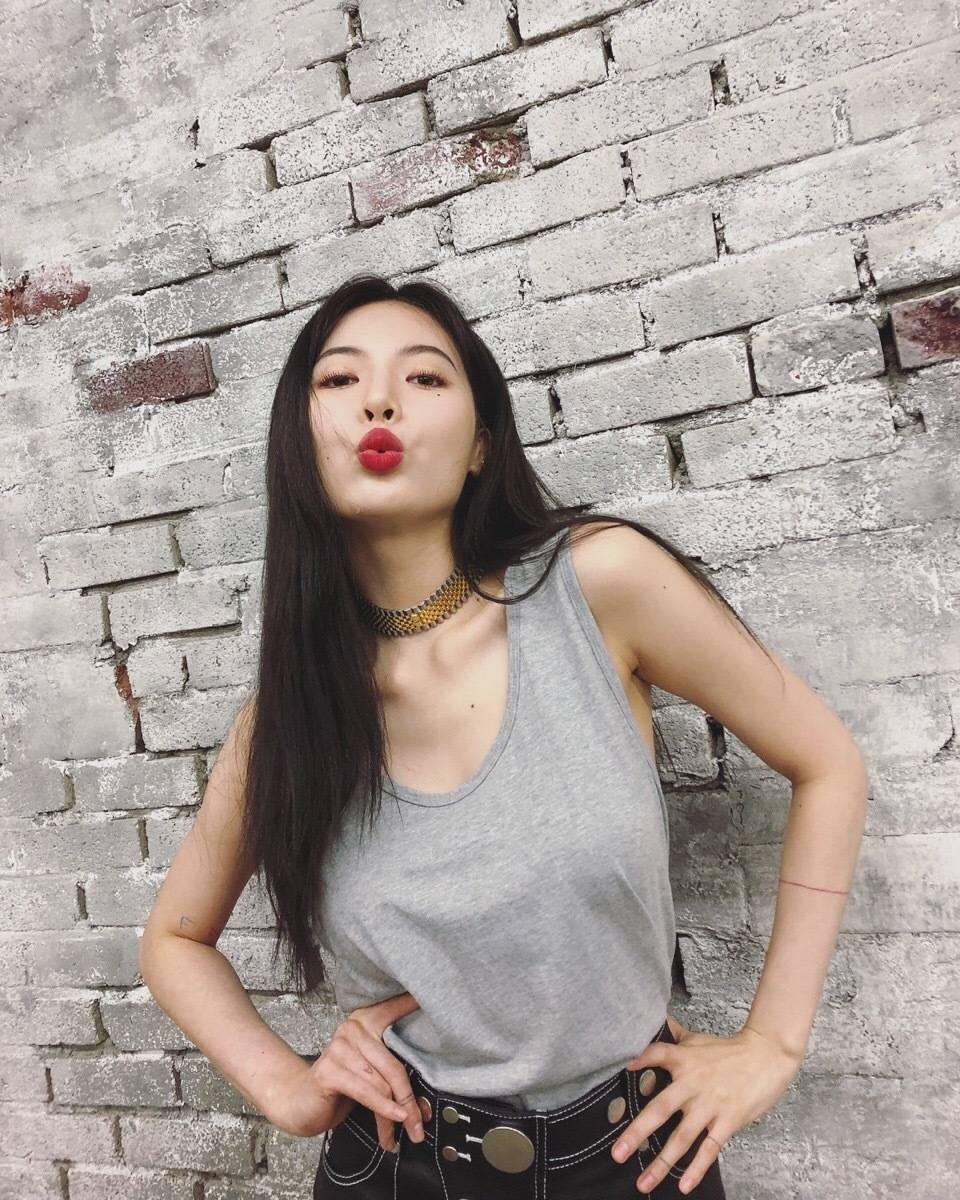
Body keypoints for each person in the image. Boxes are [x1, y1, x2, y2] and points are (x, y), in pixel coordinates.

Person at [139, 273, 869, 1199]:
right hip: (396, 1166)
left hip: (632, 1160)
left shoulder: (599, 588)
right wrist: (289, 1087)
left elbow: (828, 764)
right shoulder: (289, 717)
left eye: (425, 377)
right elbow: (175, 939)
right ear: (299, 441)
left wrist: (773, 1043)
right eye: (339, 379)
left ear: (482, 442)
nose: (379, 400)